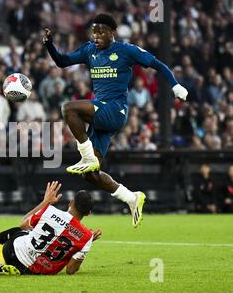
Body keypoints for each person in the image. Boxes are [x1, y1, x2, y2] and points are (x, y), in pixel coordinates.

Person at [43, 14, 189, 227]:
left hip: (115, 110)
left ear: (112, 32)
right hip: (100, 116)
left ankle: (86, 156)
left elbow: (158, 64)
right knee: (90, 176)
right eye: (94, 32)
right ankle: (132, 198)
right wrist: (49, 44)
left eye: (101, 31)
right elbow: (62, 62)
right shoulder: (89, 50)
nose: (96, 36)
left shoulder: (126, 50)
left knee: (68, 109)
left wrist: (175, 85)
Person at [0, 181, 102, 275]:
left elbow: (23, 223)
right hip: (40, 271)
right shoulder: (86, 237)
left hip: (14, 253)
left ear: (71, 203)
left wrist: (45, 202)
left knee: (18, 231)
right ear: (88, 213)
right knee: (23, 234)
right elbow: (70, 270)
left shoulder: (50, 211)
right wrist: (84, 244)